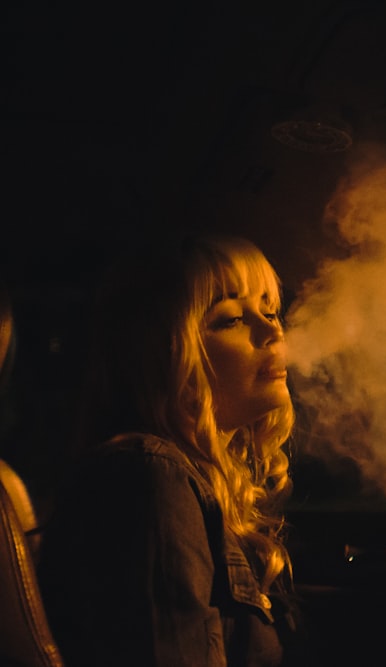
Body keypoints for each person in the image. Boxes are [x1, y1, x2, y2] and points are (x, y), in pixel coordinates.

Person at [39, 233, 298, 666]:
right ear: (167, 352)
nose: (273, 331)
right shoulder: (147, 476)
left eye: (270, 310)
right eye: (232, 318)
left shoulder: (191, 482)